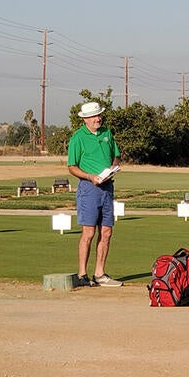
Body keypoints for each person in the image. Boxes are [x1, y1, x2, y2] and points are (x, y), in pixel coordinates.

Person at [67, 101, 123, 288]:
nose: (98, 119)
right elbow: (72, 167)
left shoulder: (107, 133)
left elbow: (116, 154)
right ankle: (82, 274)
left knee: (106, 232)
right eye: (94, 116)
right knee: (88, 233)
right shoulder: (78, 138)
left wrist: (113, 167)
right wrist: (90, 176)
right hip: (88, 188)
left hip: (107, 187)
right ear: (85, 119)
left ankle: (100, 273)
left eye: (99, 115)